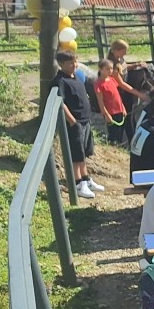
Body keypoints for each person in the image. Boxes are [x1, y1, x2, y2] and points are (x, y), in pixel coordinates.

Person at [50, 50, 100, 199]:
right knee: (75, 155)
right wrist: (72, 121)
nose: (74, 65)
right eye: (70, 63)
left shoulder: (76, 78)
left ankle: (86, 179)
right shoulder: (60, 81)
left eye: (75, 61)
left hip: (85, 121)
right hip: (74, 123)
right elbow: (61, 102)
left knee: (83, 153)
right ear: (61, 64)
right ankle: (77, 183)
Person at [94, 59, 127, 145]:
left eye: (111, 68)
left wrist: (122, 107)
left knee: (120, 131)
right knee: (113, 133)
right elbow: (100, 101)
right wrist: (106, 114)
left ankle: (119, 147)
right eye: (107, 69)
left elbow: (117, 95)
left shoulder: (112, 79)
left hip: (119, 110)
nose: (110, 71)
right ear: (100, 69)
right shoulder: (99, 83)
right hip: (111, 112)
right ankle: (113, 147)